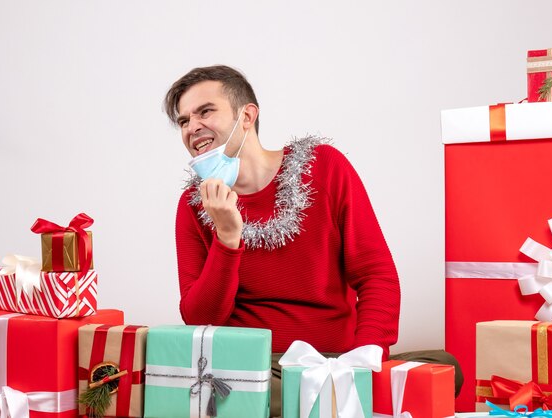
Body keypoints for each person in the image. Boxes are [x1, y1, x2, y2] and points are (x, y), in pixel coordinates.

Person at [165, 65, 462, 417]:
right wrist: (227, 239)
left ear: (247, 116)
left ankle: (328, 396)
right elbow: (200, 318)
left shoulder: (324, 167)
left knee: (444, 368)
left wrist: (366, 357)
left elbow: (376, 274)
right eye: (183, 121)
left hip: (338, 360)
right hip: (260, 371)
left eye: (205, 111)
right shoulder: (193, 205)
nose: (192, 127)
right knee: (231, 391)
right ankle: (330, 402)